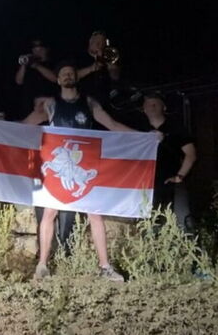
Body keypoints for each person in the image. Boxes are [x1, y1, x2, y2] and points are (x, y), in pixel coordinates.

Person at [34, 62, 140, 282]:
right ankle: (42, 266)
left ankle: (105, 267)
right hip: (59, 166)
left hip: (84, 163)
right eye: (63, 74)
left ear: (76, 77)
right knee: (49, 213)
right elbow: (26, 124)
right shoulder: (51, 104)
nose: (68, 76)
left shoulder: (89, 103)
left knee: (95, 214)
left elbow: (112, 125)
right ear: (58, 79)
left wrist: (142, 136)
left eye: (71, 73)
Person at [141, 92, 196, 233]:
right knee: (151, 225)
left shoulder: (176, 127)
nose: (152, 107)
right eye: (148, 105)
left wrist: (179, 176)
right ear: (144, 109)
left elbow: (191, 154)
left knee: (182, 223)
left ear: (163, 107)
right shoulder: (140, 129)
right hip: (148, 186)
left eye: (155, 104)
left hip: (172, 184)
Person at [15, 38, 58, 117]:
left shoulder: (52, 63)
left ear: (46, 50)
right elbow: (19, 81)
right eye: (35, 50)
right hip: (30, 106)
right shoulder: (28, 66)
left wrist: (37, 66)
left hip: (47, 104)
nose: (37, 52)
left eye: (40, 50)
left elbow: (55, 79)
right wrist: (23, 64)